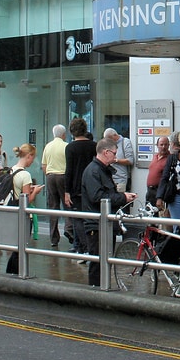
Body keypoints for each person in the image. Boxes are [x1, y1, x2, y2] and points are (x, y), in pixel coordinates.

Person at [81, 137, 137, 287]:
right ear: (106, 152)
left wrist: (122, 197)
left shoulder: (100, 170)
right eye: (114, 153)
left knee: (104, 260)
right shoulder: (94, 171)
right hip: (97, 225)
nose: (115, 157)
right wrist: (122, 197)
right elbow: (97, 197)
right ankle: (96, 291)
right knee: (98, 261)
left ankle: (102, 288)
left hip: (104, 224)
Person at [5, 144, 45, 275]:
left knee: (15, 248)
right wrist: (36, 191)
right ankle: (19, 274)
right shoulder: (25, 175)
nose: (33, 161)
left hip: (10, 213)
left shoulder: (11, 170)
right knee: (21, 247)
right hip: (21, 216)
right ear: (29, 156)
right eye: (33, 158)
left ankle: (10, 273)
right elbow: (27, 200)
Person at [64, 117, 96, 256]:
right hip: (91, 186)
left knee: (77, 219)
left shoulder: (70, 147)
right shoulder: (93, 145)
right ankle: (90, 246)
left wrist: (66, 191)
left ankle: (84, 248)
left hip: (76, 187)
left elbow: (69, 170)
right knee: (91, 218)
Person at [156, 129, 180, 220]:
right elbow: (165, 177)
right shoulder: (173, 158)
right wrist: (159, 197)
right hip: (177, 197)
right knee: (178, 226)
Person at [41, 124, 69, 249]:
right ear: (63, 134)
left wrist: (48, 174)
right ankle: (69, 230)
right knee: (67, 204)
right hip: (63, 176)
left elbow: (43, 165)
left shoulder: (48, 146)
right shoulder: (66, 146)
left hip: (50, 176)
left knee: (53, 207)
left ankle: (53, 238)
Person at [103, 128, 134, 193]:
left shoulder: (125, 142)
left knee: (120, 200)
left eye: (109, 139)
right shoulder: (109, 145)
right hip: (110, 179)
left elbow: (130, 161)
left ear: (114, 135)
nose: (108, 141)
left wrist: (115, 160)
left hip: (121, 179)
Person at [146, 135, 171, 206]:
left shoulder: (170, 159)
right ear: (157, 145)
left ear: (169, 145)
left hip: (160, 191)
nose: (163, 147)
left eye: (166, 145)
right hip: (150, 191)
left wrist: (160, 197)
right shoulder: (155, 156)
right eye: (161, 144)